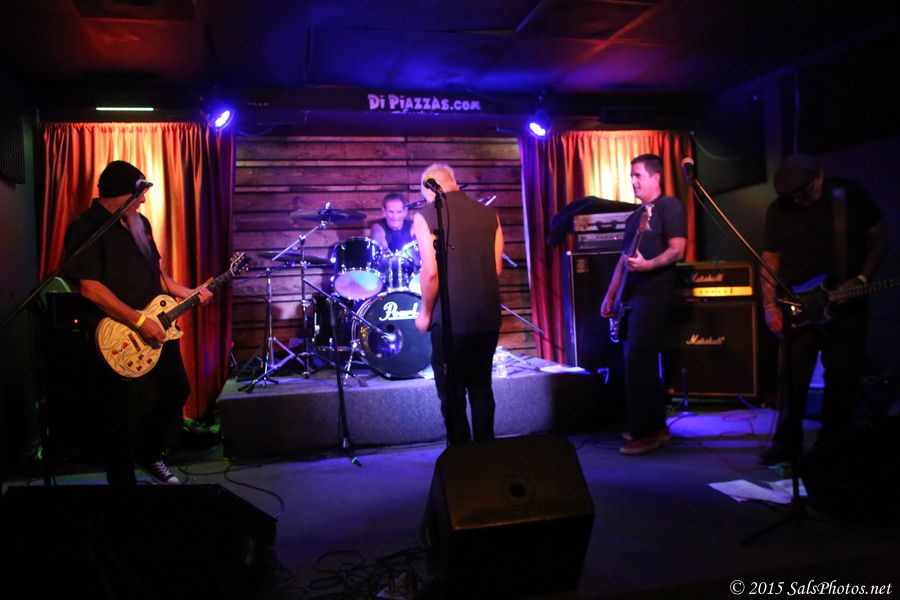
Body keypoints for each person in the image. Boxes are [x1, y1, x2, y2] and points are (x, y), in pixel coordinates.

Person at [63, 160, 213, 485]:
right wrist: (138, 320)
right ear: (119, 194)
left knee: (177, 389)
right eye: (138, 194)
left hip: (156, 324)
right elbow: (90, 288)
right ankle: (123, 486)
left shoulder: (139, 223)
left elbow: (157, 276)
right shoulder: (86, 228)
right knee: (118, 410)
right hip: (115, 332)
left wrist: (190, 292)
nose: (143, 201)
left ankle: (148, 451)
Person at [758, 153, 886, 466]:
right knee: (791, 375)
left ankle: (831, 446)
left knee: (842, 377)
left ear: (819, 177)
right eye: (792, 196)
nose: (798, 200)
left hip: (845, 303)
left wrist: (862, 278)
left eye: (804, 192)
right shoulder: (779, 209)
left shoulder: (848, 196)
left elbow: (879, 239)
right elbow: (770, 259)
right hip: (799, 304)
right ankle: (787, 443)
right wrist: (770, 304)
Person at [601, 153, 687, 456]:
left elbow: (678, 249)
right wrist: (610, 294)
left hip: (655, 293)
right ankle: (654, 426)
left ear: (655, 177)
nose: (633, 181)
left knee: (639, 359)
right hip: (632, 296)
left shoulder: (669, 206)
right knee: (636, 362)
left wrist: (648, 265)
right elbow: (624, 259)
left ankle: (646, 433)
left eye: (638, 175)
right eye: (632, 175)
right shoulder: (635, 217)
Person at [413, 163, 504, 444]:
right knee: (481, 388)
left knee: (452, 394)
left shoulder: (426, 216)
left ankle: (460, 459)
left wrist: (425, 313)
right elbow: (496, 268)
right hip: (486, 317)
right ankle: (487, 456)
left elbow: (431, 273)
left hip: (450, 321)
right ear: (453, 182)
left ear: (430, 189)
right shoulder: (490, 214)